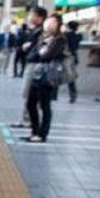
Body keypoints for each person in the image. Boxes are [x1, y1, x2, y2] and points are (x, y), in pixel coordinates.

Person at [23, 14, 68, 143]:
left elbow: (46, 55)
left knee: (45, 106)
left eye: (52, 22)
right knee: (31, 104)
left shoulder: (60, 40)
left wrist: (39, 53)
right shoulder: (43, 38)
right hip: (37, 76)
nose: (49, 24)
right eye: (48, 21)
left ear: (58, 24)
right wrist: (40, 52)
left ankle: (42, 135)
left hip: (49, 77)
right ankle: (34, 131)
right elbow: (31, 56)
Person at [64, 20, 82, 103]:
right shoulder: (79, 36)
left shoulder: (66, 35)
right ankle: (73, 95)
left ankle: (53, 95)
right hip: (74, 58)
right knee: (71, 78)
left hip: (66, 57)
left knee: (67, 77)